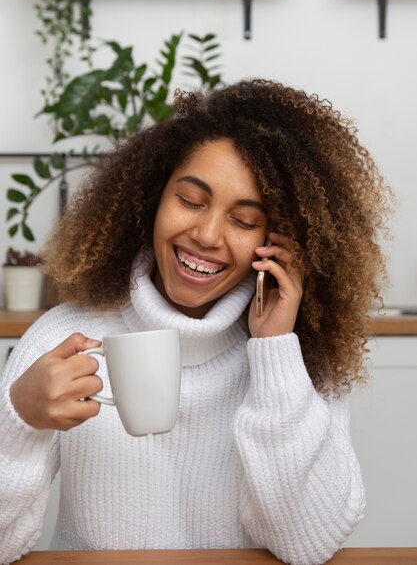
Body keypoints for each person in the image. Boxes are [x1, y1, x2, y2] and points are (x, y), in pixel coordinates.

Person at [0, 79, 392, 565]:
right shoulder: (63, 339)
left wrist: (273, 351)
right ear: (152, 200)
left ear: (281, 240)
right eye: (190, 200)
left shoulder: (298, 358)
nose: (207, 235)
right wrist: (17, 421)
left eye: (245, 221)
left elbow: (305, 545)